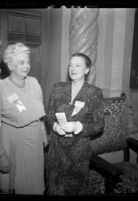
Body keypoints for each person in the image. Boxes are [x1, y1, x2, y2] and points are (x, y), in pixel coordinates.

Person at [45, 52, 104, 195]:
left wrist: (80, 127)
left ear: (87, 70)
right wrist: (55, 126)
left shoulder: (94, 93)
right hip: (56, 152)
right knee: (54, 189)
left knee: (76, 190)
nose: (73, 68)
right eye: (71, 65)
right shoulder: (58, 88)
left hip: (79, 154)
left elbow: (99, 125)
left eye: (78, 65)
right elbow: (49, 116)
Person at [0, 42, 48, 195]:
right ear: (10, 64)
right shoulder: (2, 88)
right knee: (19, 185)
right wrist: (1, 157)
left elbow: (39, 114)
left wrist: (43, 133)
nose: (27, 65)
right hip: (15, 144)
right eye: (21, 62)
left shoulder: (34, 83)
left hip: (34, 143)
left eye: (28, 61)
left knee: (35, 185)